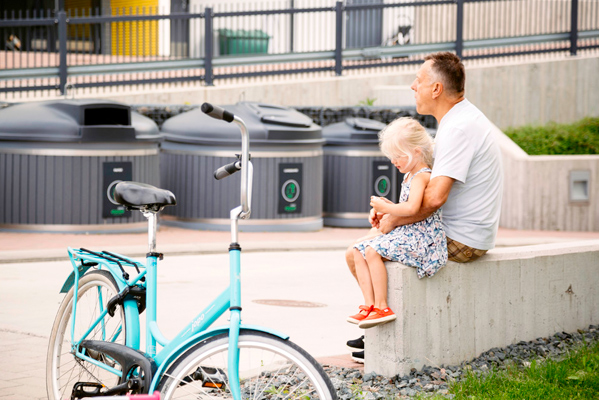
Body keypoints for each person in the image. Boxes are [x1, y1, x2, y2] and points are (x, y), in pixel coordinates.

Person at [346, 51, 503, 363]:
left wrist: (393, 219)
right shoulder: (459, 120)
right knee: (362, 247)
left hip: (461, 239)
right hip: (460, 229)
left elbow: (434, 199)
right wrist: (391, 214)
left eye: (418, 81)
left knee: (360, 252)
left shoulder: (458, 128)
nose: (412, 86)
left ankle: (383, 336)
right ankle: (375, 328)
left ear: (436, 89)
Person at [348, 117, 448, 330]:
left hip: (422, 238)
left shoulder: (422, 176)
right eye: (391, 157)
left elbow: (412, 209)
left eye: (398, 156)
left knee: (372, 250)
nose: (394, 162)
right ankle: (369, 305)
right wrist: (386, 207)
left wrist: (387, 209)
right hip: (409, 232)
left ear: (417, 152)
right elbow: (404, 207)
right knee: (358, 250)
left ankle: (383, 306)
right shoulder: (410, 174)